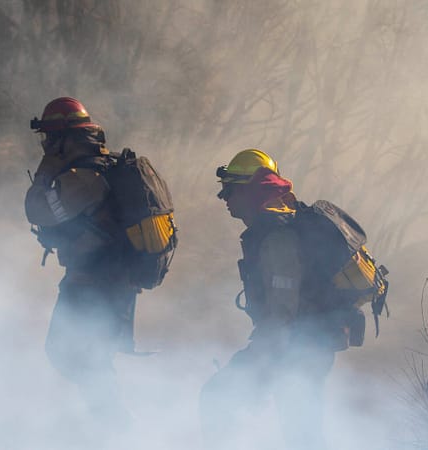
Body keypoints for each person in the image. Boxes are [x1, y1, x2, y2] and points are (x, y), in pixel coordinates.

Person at [24, 97, 175, 431]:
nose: (47, 145)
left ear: (64, 138)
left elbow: (38, 211)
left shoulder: (83, 178)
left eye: (50, 137)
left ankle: (119, 427)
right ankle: (109, 424)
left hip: (94, 284)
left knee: (76, 356)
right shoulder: (100, 170)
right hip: (107, 282)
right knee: (85, 357)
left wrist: (43, 175)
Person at [200, 149, 353, 450]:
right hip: (303, 346)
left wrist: (260, 358)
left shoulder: (276, 239)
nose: (225, 199)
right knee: (301, 431)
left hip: (295, 349)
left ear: (251, 191)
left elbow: (283, 311)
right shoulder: (274, 230)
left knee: (220, 398)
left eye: (230, 190)